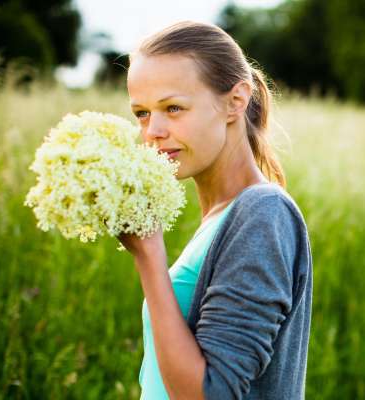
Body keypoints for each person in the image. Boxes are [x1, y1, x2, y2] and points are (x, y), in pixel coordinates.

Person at [117, 20, 313, 400]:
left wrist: (149, 257)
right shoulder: (221, 216)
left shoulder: (263, 214)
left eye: (173, 108)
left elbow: (212, 393)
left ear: (236, 101)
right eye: (141, 113)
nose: (152, 130)